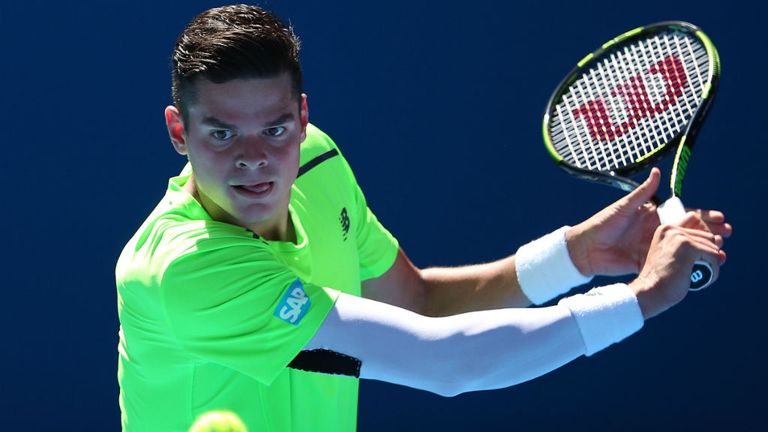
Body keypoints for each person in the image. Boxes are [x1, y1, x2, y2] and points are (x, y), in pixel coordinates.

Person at [115, 4, 732, 431]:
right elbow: (446, 361)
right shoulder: (186, 270)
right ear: (179, 131)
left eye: (274, 129)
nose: (254, 159)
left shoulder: (317, 161)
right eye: (221, 134)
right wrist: (640, 299)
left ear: (303, 118)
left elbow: (416, 303)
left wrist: (575, 256)